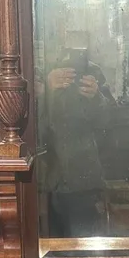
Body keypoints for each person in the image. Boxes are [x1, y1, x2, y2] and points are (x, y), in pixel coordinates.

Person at [40, 21, 116, 238]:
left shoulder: (93, 72)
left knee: (84, 249)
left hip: (83, 178)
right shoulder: (38, 71)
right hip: (45, 178)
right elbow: (27, 125)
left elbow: (110, 122)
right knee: (48, 252)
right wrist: (46, 90)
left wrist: (97, 98)